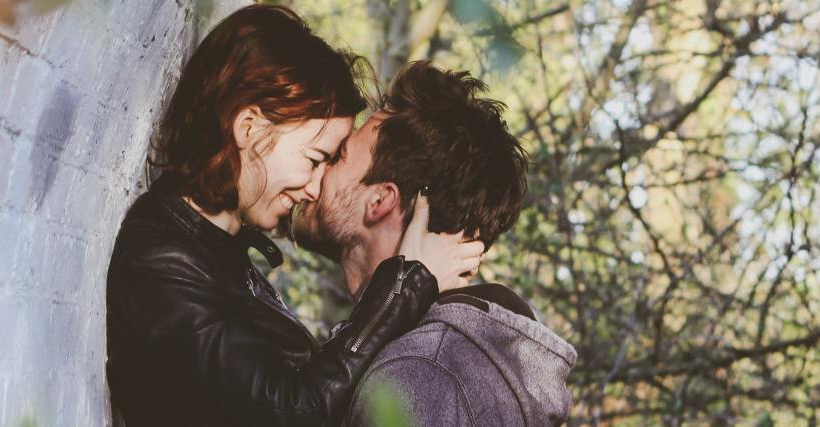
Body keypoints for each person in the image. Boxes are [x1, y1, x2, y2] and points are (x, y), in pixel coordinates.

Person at [105, 6, 485, 426]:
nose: (316, 188)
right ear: (249, 128)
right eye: (315, 159)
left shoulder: (217, 252)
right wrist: (404, 284)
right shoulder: (161, 263)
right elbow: (293, 409)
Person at [288, 61, 578, 426]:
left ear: (381, 201)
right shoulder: (442, 359)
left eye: (339, 158)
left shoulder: (421, 376)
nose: (317, 172)